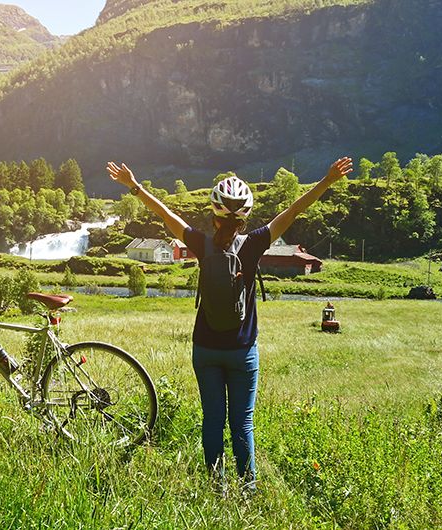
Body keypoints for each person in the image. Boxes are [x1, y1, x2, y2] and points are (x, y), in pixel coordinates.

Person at [106, 158, 354, 487]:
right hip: (242, 349)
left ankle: (215, 484)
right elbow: (293, 211)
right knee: (243, 424)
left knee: (213, 420)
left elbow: (166, 216)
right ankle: (247, 488)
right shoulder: (254, 244)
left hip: (205, 348)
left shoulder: (200, 243)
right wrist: (326, 181)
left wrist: (134, 186)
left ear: (214, 212)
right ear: (245, 215)